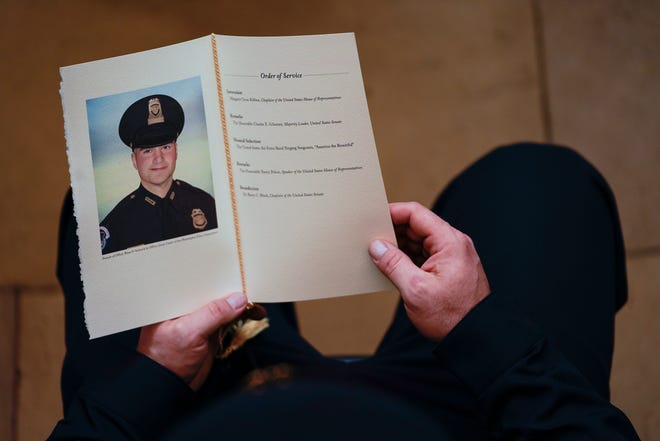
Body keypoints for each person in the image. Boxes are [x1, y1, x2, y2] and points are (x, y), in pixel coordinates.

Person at [49, 143, 640, 440]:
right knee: (539, 181)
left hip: (197, 408)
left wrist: (154, 376)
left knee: (94, 215)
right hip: (468, 422)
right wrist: (483, 334)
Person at [99, 94, 217, 254]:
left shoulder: (206, 204)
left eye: (165, 147)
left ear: (176, 151)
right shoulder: (116, 224)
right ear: (134, 160)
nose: (158, 158)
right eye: (147, 151)